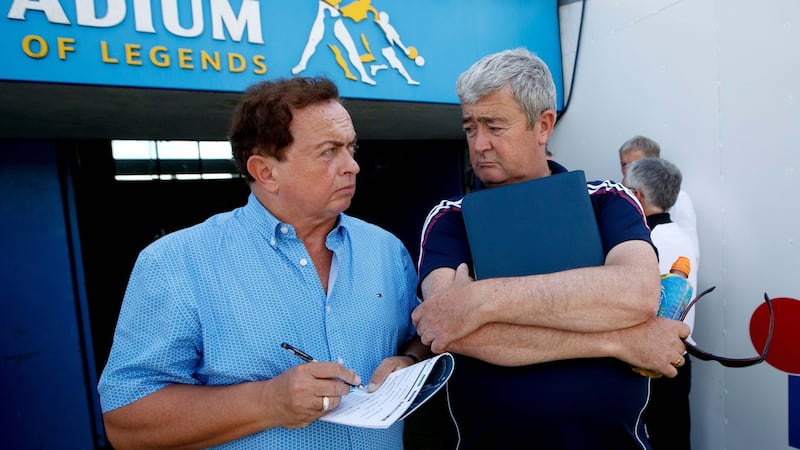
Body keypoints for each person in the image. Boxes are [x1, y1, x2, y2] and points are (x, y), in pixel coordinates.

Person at [97, 76, 426, 449]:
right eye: (329, 151)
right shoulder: (175, 263)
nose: (352, 166)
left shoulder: (385, 250)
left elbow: (421, 336)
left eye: (351, 147)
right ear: (266, 171)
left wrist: (408, 361)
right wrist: (268, 402)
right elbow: (126, 423)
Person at [412, 48, 691, 449]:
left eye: (494, 126)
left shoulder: (608, 200)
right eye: (470, 127)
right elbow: (448, 330)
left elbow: (637, 294)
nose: (480, 144)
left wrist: (481, 299)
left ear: (543, 125)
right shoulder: (450, 219)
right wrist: (617, 339)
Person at [624, 157, 698, 450]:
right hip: (680, 359)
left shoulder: (643, 242)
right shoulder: (682, 235)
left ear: (638, 196)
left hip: (650, 367)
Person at [618, 135, 700, 268]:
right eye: (623, 164)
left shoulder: (679, 199)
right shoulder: (615, 196)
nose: (628, 170)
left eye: (635, 165)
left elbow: (689, 250)